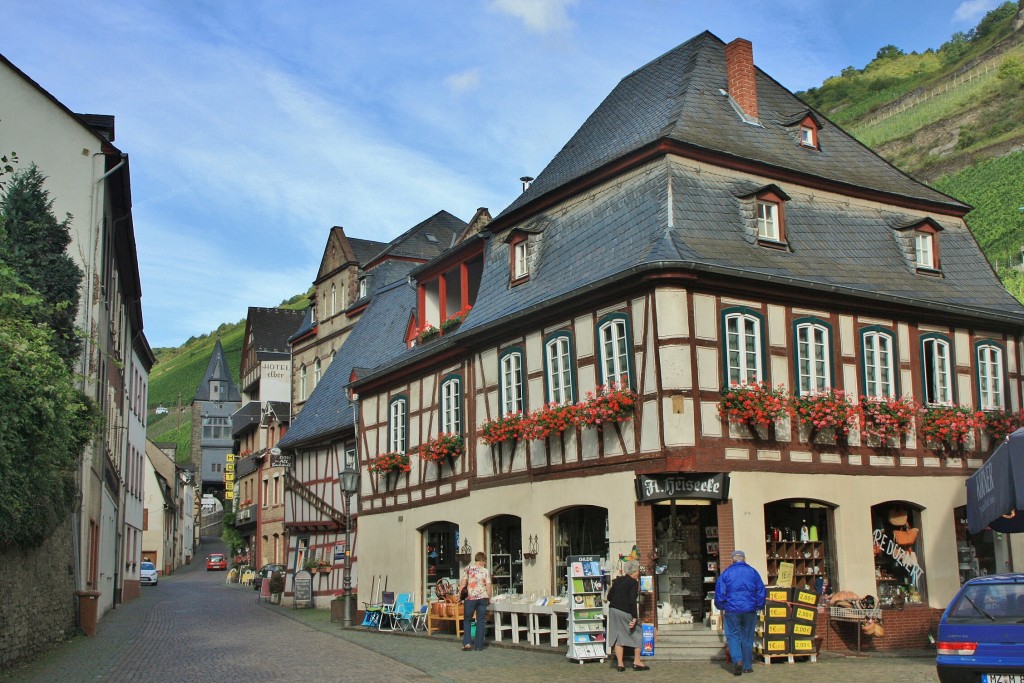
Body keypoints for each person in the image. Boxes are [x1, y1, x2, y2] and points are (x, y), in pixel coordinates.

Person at [714, 549, 766, 676]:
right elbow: (761, 591)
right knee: (747, 638)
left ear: (733, 559)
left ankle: (737, 660)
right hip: (750, 609)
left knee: (733, 636)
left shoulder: (726, 573)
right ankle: (747, 666)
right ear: (744, 559)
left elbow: (720, 592)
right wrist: (759, 605)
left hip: (732, 609)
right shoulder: (753, 572)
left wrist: (720, 606)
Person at [606, 559, 650, 672]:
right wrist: (634, 617)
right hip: (624, 610)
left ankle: (620, 664)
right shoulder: (633, 583)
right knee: (638, 631)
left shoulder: (618, 580)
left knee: (618, 635)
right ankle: (637, 661)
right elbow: (632, 601)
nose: (638, 573)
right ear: (634, 572)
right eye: (637, 571)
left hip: (613, 610)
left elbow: (609, 596)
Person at [458, 551, 492, 651]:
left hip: (470, 598)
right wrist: (489, 598)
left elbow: (463, 584)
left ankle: (467, 643)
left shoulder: (468, 569)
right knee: (481, 621)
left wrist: (460, 596)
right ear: (481, 561)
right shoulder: (485, 571)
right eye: (484, 561)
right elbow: (489, 587)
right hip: (483, 598)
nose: (484, 563)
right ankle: (478, 646)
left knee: (467, 620)